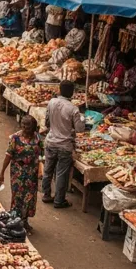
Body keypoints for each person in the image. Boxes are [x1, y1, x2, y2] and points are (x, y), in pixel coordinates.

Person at [0, 115, 43, 233]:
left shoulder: (38, 139)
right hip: (17, 173)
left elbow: (41, 155)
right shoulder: (15, 138)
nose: (24, 127)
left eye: (27, 125)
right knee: (17, 197)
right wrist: (2, 173)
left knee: (29, 197)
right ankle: (15, 221)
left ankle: (24, 221)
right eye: (23, 124)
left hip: (32, 174)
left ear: (33, 127)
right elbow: (8, 156)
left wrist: (41, 169)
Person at [42, 81, 84, 209]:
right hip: (64, 145)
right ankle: (59, 200)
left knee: (48, 170)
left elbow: (47, 122)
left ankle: (46, 194)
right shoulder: (73, 109)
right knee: (61, 174)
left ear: (59, 90)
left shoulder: (51, 102)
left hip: (51, 141)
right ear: (72, 93)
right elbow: (80, 129)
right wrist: (81, 119)